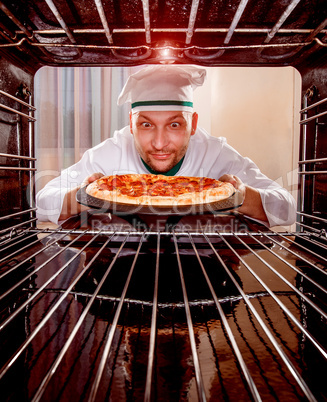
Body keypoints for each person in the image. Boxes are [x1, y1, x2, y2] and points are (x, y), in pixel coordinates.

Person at [36, 65, 296, 227]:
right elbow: (43, 202)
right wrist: (85, 197)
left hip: (201, 266)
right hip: (123, 265)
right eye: (146, 125)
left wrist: (240, 196)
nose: (159, 144)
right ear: (131, 123)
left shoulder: (216, 152)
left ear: (193, 124)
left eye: (175, 125)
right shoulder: (110, 151)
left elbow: (288, 208)